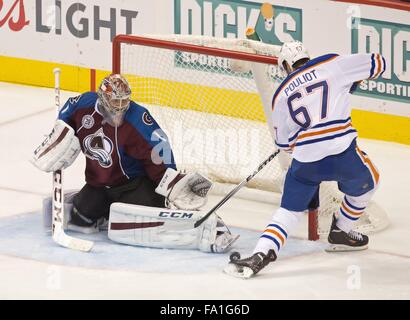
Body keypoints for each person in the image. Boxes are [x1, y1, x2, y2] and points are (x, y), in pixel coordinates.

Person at [224, 41, 385, 278]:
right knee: (370, 182)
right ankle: (342, 230)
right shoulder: (331, 63)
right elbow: (378, 62)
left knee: (288, 211)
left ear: (286, 66)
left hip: (306, 162)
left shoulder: (280, 94)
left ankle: (260, 254)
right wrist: (353, 79)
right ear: (307, 56)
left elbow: (284, 144)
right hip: (342, 154)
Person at [31, 74, 238, 252]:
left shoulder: (138, 118)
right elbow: (68, 110)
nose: (120, 108)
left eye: (124, 102)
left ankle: (199, 220)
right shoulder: (85, 105)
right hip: (99, 185)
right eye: (115, 103)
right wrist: (61, 131)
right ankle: (105, 212)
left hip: (134, 184)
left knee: (146, 219)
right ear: (102, 98)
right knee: (81, 219)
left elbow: (159, 148)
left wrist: (171, 181)